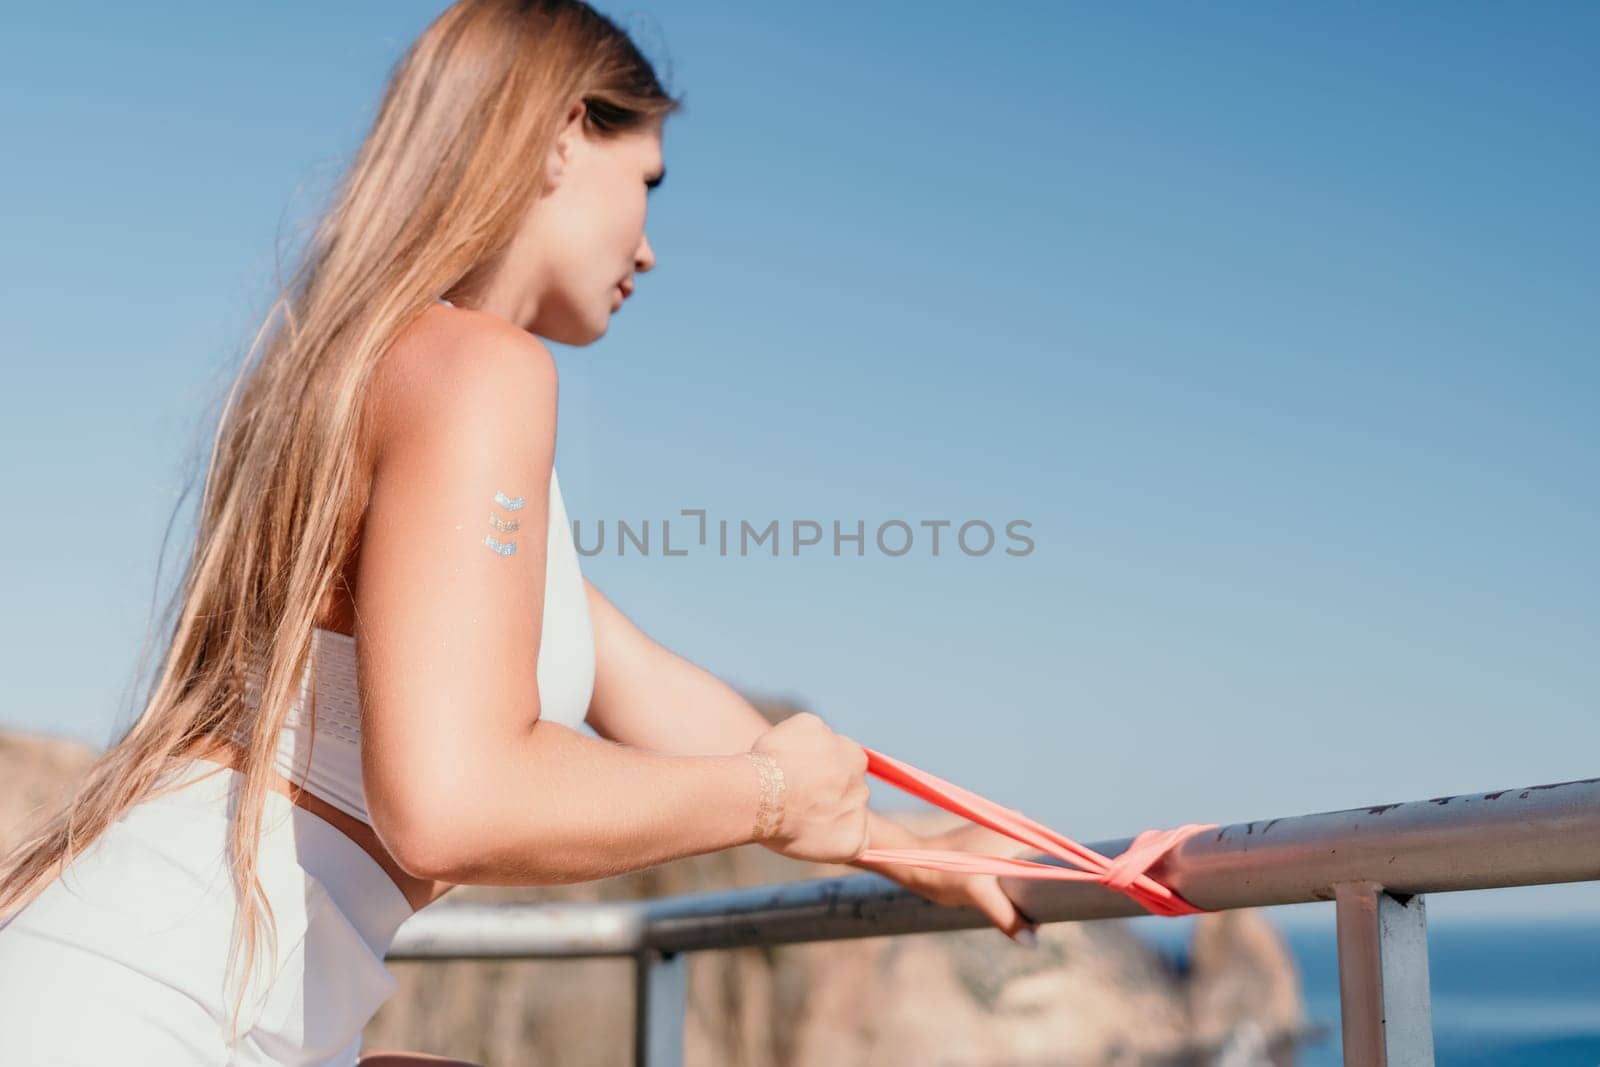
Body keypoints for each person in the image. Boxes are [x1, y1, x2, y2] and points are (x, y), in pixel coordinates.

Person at [0, 1, 1038, 1063]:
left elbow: (636, 685)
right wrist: (770, 799)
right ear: (560, 135)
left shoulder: (369, 365)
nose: (648, 247)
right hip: (148, 1012)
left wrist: (903, 846)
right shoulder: (479, 369)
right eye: (646, 185)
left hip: (152, 992)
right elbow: (450, 802)